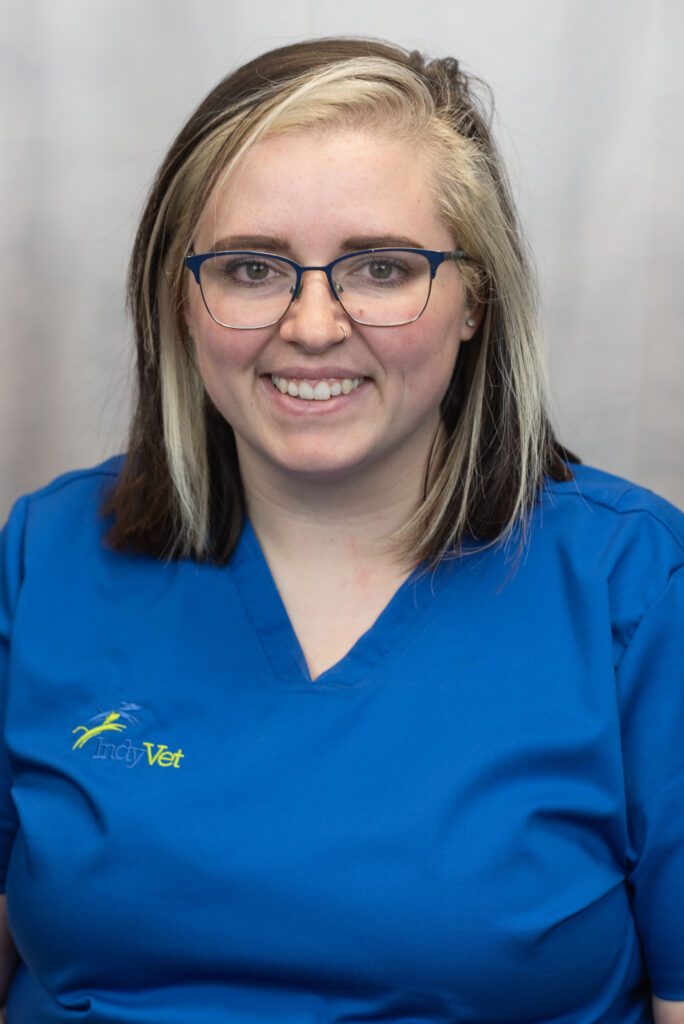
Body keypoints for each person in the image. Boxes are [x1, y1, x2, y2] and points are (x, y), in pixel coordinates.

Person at [0, 36, 683, 1024]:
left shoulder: (638, 587)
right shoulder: (44, 556)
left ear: (474, 299)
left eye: (382, 267)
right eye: (250, 268)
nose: (314, 326)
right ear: (180, 300)